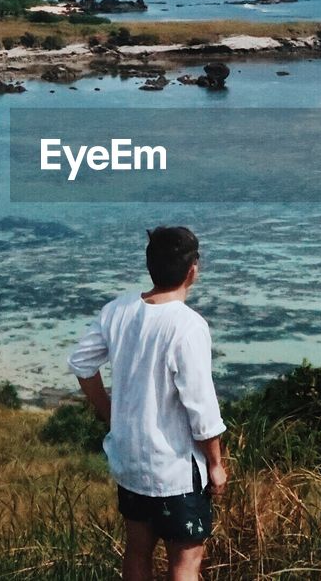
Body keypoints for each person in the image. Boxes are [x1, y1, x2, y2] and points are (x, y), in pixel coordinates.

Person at [68, 226, 227, 581]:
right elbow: (201, 407)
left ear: (150, 265)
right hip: (176, 472)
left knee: (137, 553)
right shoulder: (188, 326)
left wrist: (110, 413)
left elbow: (81, 363)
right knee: (185, 565)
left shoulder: (118, 310)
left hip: (130, 463)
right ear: (193, 270)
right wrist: (215, 463)